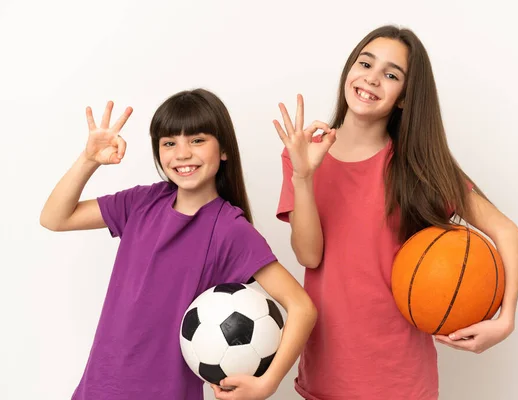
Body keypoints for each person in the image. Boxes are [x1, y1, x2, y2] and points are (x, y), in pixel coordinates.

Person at [273, 25, 518, 400]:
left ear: (404, 98)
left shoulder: (418, 166)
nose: (372, 78)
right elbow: (309, 255)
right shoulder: (303, 155)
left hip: (399, 380)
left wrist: (504, 321)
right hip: (327, 374)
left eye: (391, 75)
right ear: (349, 70)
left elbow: (507, 233)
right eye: (366, 63)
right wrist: (304, 176)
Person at [40, 89, 317, 400]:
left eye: (197, 140)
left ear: (224, 149)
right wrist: (88, 160)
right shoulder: (142, 201)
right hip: (97, 390)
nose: (182, 153)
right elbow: (54, 218)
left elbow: (302, 307)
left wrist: (267, 384)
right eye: (169, 143)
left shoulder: (230, 230)